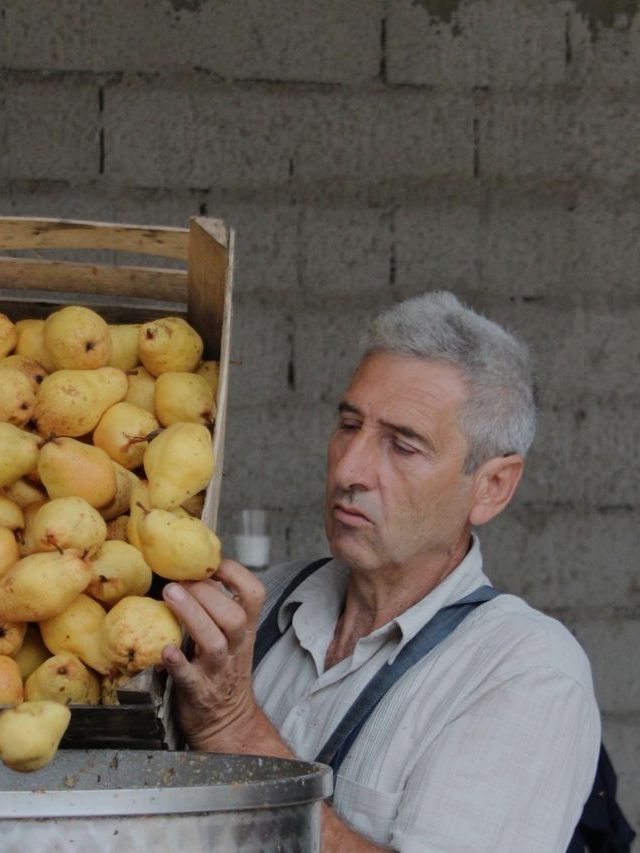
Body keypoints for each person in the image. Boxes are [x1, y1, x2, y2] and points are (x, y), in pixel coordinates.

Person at [160, 291, 601, 851]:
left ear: (492, 486)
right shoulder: (260, 604)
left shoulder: (525, 671)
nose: (349, 469)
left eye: (403, 446)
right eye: (349, 425)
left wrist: (235, 729)